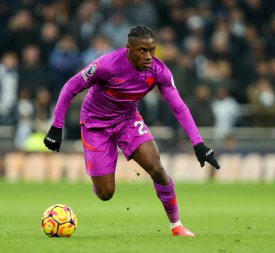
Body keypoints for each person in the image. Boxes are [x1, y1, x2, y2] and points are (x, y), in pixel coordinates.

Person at [43, 25, 220, 237]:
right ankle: (99, 178)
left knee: (156, 167)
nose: (148, 56)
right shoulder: (105, 65)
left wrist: (198, 144)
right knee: (106, 193)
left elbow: (179, 107)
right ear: (129, 49)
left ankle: (176, 225)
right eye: (142, 50)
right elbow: (70, 87)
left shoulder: (159, 71)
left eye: (152, 50)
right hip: (95, 124)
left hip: (128, 120)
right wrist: (56, 127)